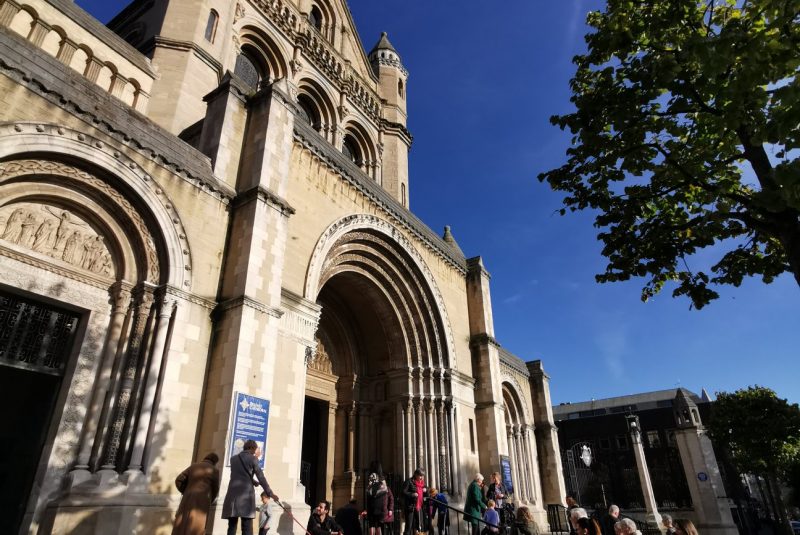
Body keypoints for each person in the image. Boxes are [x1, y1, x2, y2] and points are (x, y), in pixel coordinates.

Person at [222, 440, 280, 535]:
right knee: (247, 526)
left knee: (232, 526)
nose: (255, 451)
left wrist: (252, 481)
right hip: (245, 496)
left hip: (232, 495)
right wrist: (270, 493)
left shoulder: (233, 459)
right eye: (255, 449)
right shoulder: (253, 459)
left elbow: (238, 474)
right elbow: (261, 478)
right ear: (252, 448)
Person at [172, 452, 221, 535]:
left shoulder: (193, 466)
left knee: (183, 520)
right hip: (203, 500)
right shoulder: (214, 470)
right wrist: (210, 500)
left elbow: (179, 480)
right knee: (197, 523)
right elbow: (215, 488)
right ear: (215, 461)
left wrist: (185, 491)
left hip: (188, 496)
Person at [402, 468, 427, 535]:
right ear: (415, 474)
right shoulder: (409, 481)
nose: (421, 477)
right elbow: (403, 492)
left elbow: (427, 493)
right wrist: (412, 494)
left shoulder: (422, 483)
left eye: (423, 476)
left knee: (419, 525)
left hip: (419, 507)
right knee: (409, 526)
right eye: (420, 475)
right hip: (410, 507)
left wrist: (426, 490)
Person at [367, 465, 390, 535]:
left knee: (371, 524)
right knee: (378, 525)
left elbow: (368, 489)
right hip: (379, 504)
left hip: (372, 503)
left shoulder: (371, 476)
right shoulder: (382, 478)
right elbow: (386, 490)